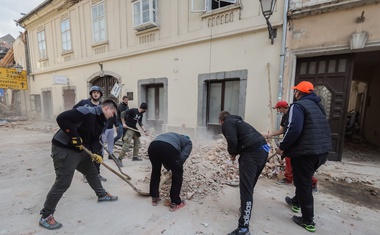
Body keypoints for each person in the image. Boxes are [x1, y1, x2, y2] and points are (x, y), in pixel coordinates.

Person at [39, 99, 119, 230]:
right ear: (106, 109)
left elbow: (94, 139)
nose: (113, 115)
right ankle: (46, 215)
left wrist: (95, 153)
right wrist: (74, 135)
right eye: (112, 112)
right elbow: (62, 118)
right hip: (65, 149)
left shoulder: (102, 121)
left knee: (92, 173)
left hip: (81, 150)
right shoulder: (87, 111)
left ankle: (102, 195)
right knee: (63, 182)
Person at [276, 81, 332, 232]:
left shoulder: (298, 106)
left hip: (306, 153)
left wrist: (282, 147)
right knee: (303, 179)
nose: (294, 94)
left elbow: (293, 129)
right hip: (322, 151)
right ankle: (296, 202)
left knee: (304, 183)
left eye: (295, 91)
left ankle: (308, 220)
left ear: (298, 93)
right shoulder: (318, 106)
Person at [219, 111, 269, 235]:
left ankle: (243, 229)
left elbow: (232, 140)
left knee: (245, 189)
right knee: (250, 185)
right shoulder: (239, 121)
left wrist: (232, 153)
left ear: (221, 121)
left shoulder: (227, 123)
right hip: (263, 150)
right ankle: (245, 209)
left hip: (252, 154)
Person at [267, 101, 319, 194]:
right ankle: (288, 178)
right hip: (290, 143)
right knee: (288, 160)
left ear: (282, 108)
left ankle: (313, 184)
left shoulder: (295, 113)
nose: (278, 111)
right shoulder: (284, 117)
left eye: (278, 109)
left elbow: (296, 130)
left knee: (302, 166)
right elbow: (283, 129)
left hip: (299, 144)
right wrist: (271, 134)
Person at [148, 132, 192, 212]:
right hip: (168, 148)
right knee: (177, 174)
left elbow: (164, 155)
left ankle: (154, 197)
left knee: (155, 170)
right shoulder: (188, 142)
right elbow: (182, 158)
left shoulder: (172, 136)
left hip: (153, 146)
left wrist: (170, 166)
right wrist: (175, 167)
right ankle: (175, 202)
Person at [73, 85, 107, 182]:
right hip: (85, 135)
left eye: (98, 93)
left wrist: (103, 131)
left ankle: (97, 174)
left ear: (100, 95)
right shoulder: (84, 103)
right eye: (94, 92)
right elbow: (74, 112)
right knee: (87, 155)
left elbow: (106, 120)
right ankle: (85, 175)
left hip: (97, 135)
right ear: (91, 94)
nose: (96, 94)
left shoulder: (102, 106)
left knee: (98, 154)